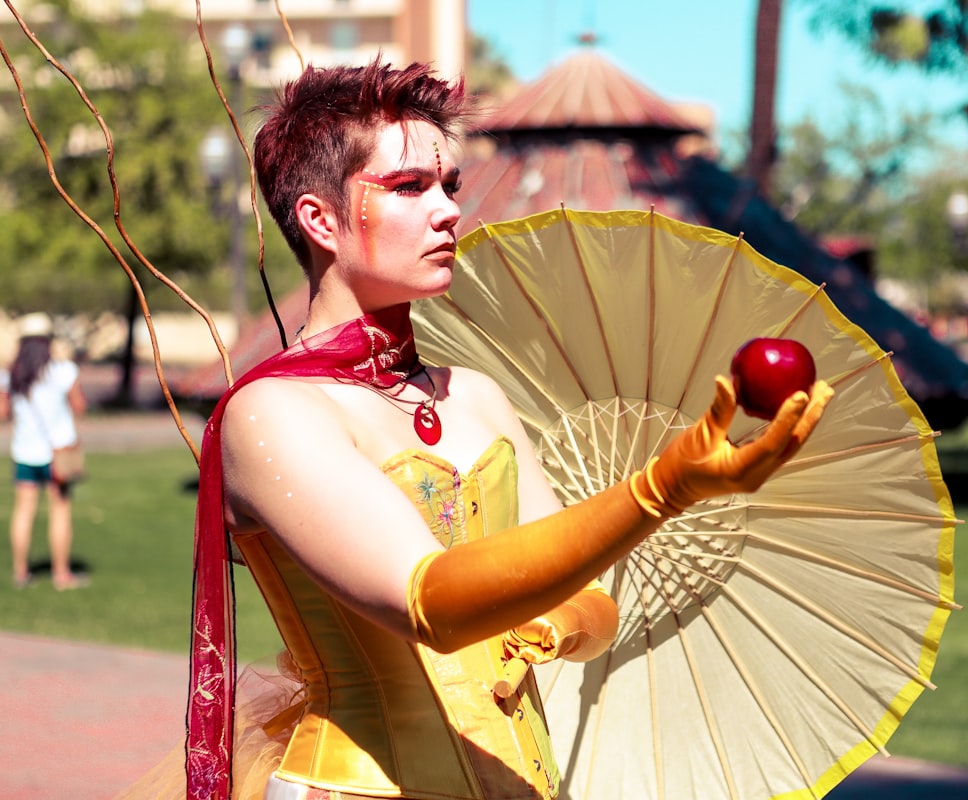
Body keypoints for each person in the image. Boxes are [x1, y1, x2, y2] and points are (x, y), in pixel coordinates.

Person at [173, 58, 833, 800]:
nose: (449, 209)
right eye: (408, 188)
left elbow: (589, 596)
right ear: (319, 220)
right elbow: (432, 604)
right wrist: (660, 489)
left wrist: (556, 625)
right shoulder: (273, 414)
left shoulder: (478, 397)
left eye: (449, 185)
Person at [0, 312, 88, 590]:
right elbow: (80, 407)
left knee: (23, 511)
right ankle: (61, 575)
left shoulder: (10, 375)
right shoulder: (63, 371)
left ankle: (21, 572)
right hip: (57, 455)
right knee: (60, 511)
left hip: (24, 452)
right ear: (48, 341)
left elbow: (3, 413)